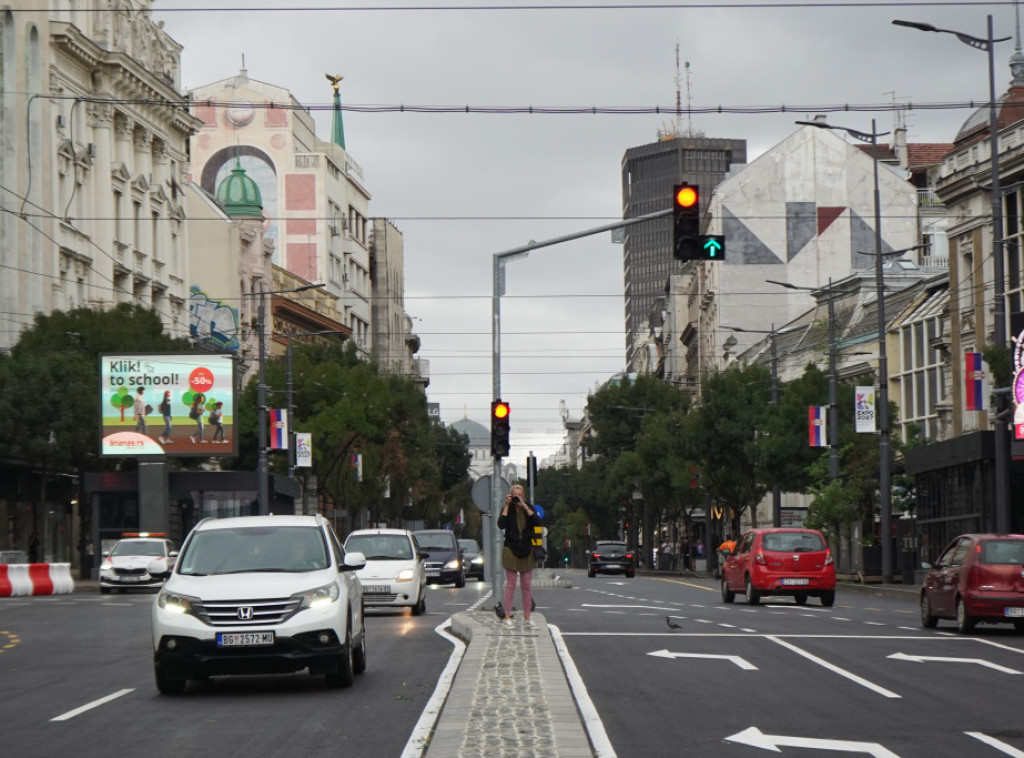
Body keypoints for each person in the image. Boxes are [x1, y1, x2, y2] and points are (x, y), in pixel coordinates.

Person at [498, 483, 541, 627]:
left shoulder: (529, 508)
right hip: (511, 549)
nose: (517, 497)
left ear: (524, 496)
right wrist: (507, 505)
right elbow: (501, 524)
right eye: (515, 495)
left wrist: (524, 506)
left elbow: (537, 522)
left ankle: (527, 617)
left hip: (527, 549)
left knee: (526, 586)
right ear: (511, 496)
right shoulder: (508, 509)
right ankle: (507, 616)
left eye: (520, 495)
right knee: (510, 585)